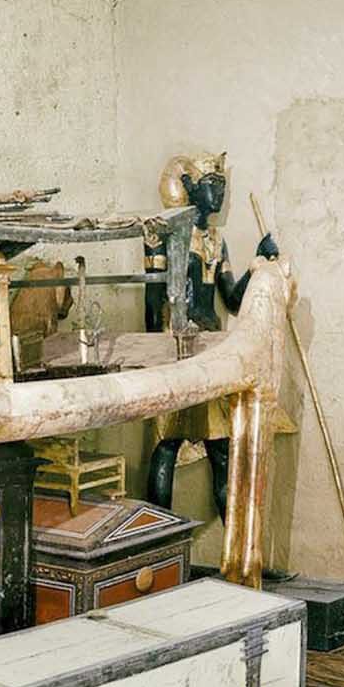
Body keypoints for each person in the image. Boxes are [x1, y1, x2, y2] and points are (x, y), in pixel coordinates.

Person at [143, 152, 289, 514]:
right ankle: (161, 544)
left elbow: (233, 301)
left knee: (220, 448)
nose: (219, 194)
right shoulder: (163, 234)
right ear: (190, 187)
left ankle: (236, 552)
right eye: (212, 185)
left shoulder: (215, 241)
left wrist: (258, 264)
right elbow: (152, 300)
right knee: (166, 443)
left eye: (222, 186)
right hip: (174, 348)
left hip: (212, 349)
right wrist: (157, 356)